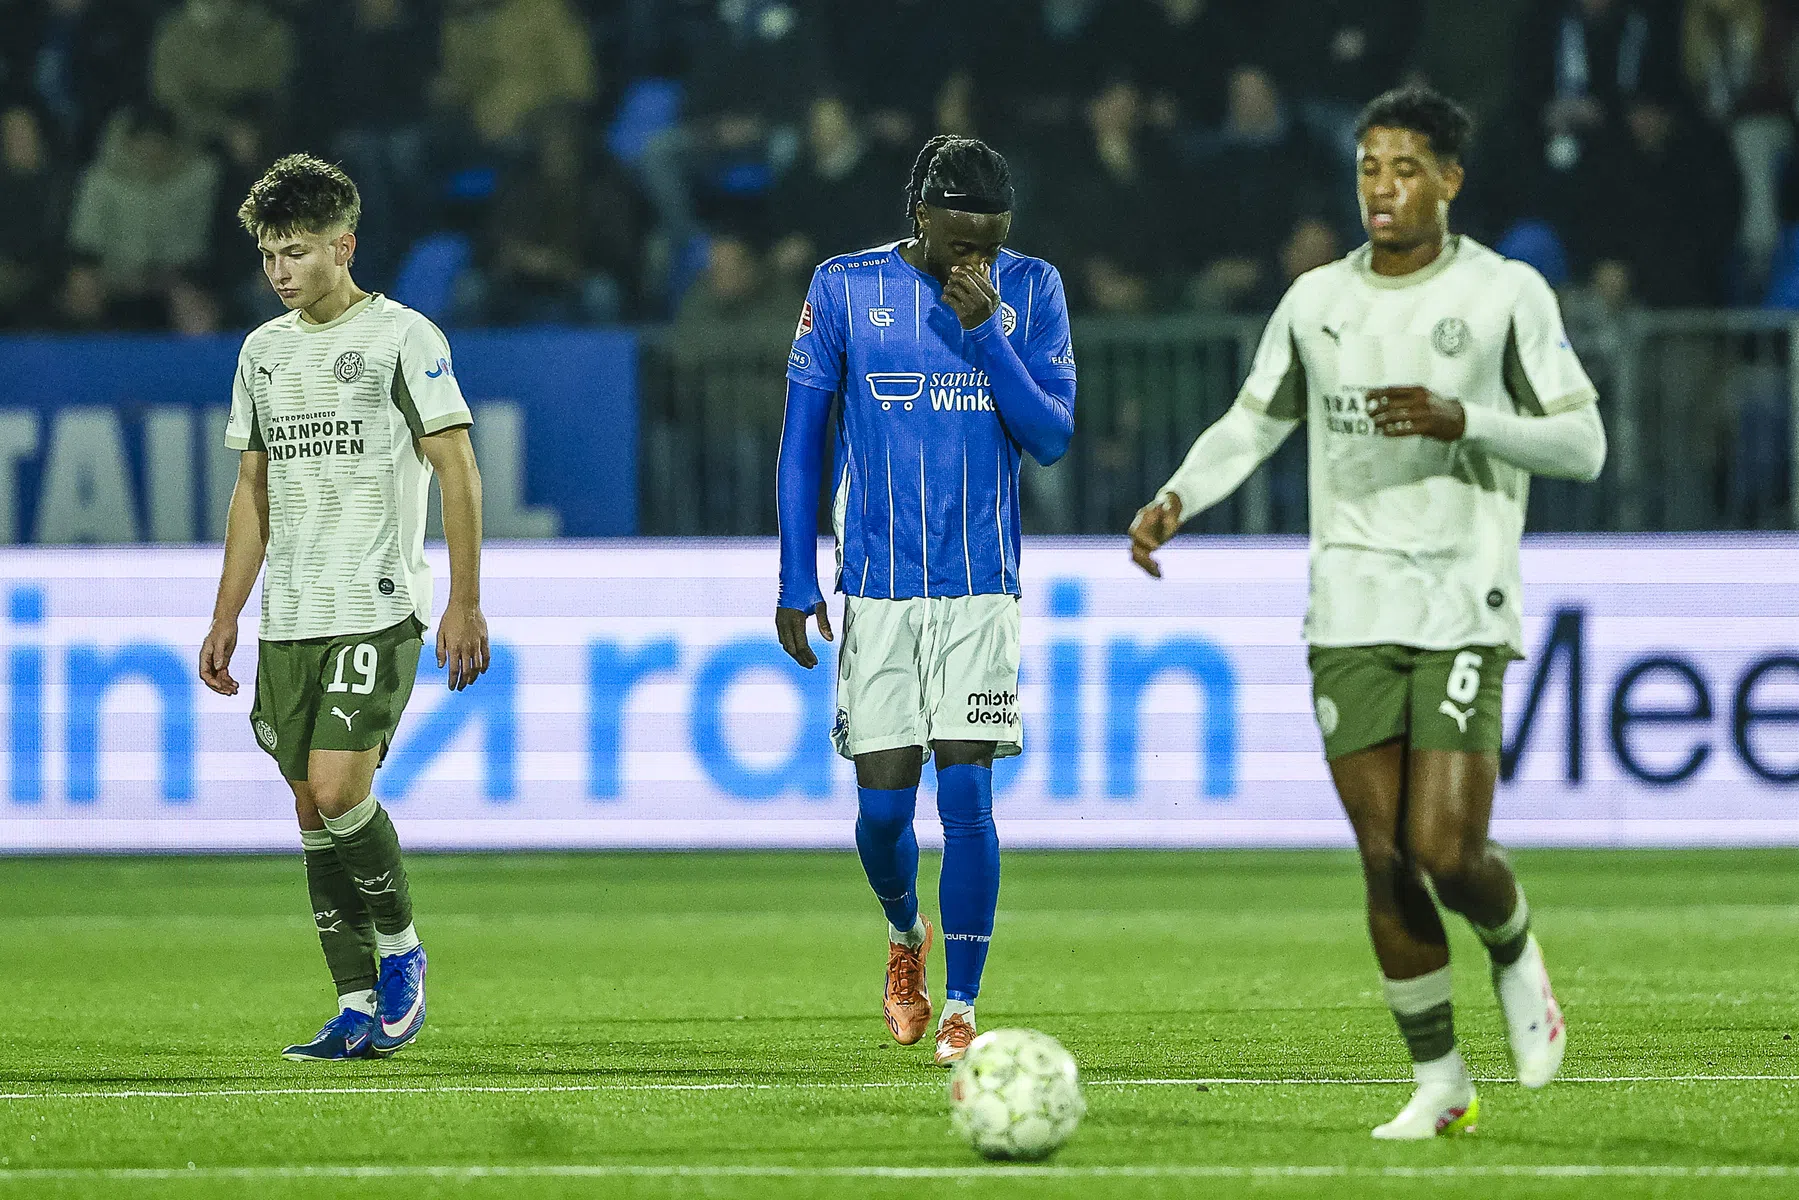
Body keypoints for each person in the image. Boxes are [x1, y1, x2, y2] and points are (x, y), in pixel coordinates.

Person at [1128, 86, 1606, 1138]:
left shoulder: (1503, 293)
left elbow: (1583, 444)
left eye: (1401, 169)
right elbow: (1251, 424)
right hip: (1347, 602)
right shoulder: (1314, 301)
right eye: (1366, 169)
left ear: (1448, 179)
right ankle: (1439, 1084)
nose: (1380, 189)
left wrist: (1464, 420)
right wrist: (1173, 500)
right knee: (1381, 855)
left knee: (1442, 847)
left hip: (1461, 594)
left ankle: (1515, 946)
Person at [774, 135, 1076, 1066]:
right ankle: (906, 935)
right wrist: (794, 575)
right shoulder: (841, 288)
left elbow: (1051, 438)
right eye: (960, 241)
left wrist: (987, 330)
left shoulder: (1031, 291)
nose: (975, 260)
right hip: (877, 588)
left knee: (969, 799)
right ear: (921, 217)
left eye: (991, 240)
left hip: (981, 587)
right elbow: (801, 443)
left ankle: (962, 1006)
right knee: (882, 816)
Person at [197, 154, 490, 1061]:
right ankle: (354, 1002)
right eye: (268, 255)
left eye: (295, 251)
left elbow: (456, 469)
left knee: (337, 789)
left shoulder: (404, 337)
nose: (279, 271)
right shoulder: (262, 352)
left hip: (375, 602)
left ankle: (401, 951)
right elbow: (254, 489)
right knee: (306, 807)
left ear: (343, 245)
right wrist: (226, 613)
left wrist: (466, 604)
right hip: (290, 613)